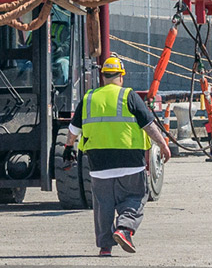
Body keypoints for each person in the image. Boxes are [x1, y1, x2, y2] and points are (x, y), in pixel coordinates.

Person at [58, 55, 173, 256]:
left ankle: (104, 247)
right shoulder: (129, 96)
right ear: (121, 77)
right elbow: (149, 126)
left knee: (103, 205)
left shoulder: (88, 98)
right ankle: (124, 229)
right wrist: (163, 145)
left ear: (102, 77)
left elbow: (73, 131)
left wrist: (68, 149)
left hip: (98, 163)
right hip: (130, 161)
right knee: (135, 197)